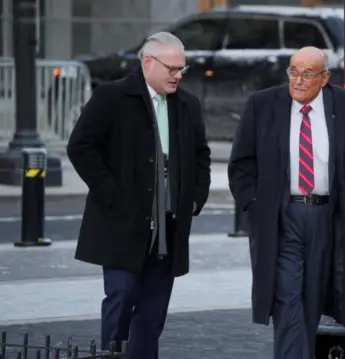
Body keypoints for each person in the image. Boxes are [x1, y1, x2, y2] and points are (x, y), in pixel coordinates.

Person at [66, 32, 212, 358]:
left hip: (169, 226)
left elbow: (201, 157)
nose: (177, 75)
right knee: (121, 295)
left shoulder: (188, 104)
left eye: (181, 69)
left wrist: (195, 198)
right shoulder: (112, 97)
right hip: (121, 224)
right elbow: (81, 147)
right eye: (172, 68)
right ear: (148, 62)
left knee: (153, 310)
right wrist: (110, 191)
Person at [227, 46, 345, 359]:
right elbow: (241, 165)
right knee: (286, 297)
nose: (298, 80)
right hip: (280, 216)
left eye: (308, 74)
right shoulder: (262, 105)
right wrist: (255, 206)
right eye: (293, 71)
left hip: (326, 216)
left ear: (325, 78)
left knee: (310, 301)